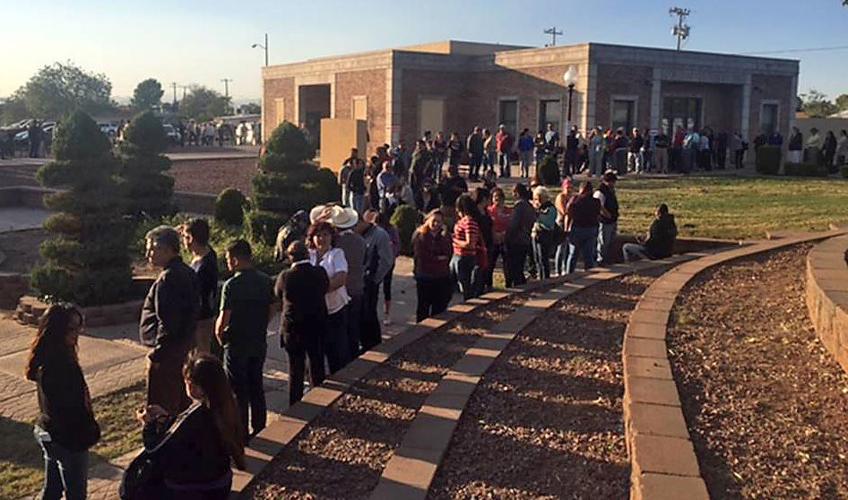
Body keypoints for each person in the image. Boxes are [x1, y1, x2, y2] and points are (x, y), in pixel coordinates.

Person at [136, 352, 246, 498]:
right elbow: (186, 432)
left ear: (197, 388)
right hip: (221, 482)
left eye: (187, 381)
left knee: (143, 484)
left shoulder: (195, 416)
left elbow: (153, 449)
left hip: (192, 489)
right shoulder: (227, 407)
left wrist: (148, 424)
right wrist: (169, 419)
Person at [28, 304, 100, 500]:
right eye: (71, 328)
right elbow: (74, 409)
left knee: (52, 489)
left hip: (48, 432)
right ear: (57, 330)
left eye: (79, 327)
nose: (77, 333)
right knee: (76, 494)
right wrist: (89, 430)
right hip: (68, 439)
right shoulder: (62, 366)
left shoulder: (44, 358)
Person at [216, 240, 275, 439]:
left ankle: (241, 431)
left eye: (227, 260)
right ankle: (260, 426)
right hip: (257, 339)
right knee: (256, 384)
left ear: (234, 259)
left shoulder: (231, 285)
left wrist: (220, 337)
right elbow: (272, 309)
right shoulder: (266, 280)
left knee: (238, 390)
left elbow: (223, 319)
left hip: (236, 342)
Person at [140, 226, 200, 414]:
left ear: (166, 249)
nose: (148, 254)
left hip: (167, 354)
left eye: (152, 249)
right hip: (183, 347)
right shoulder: (187, 272)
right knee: (180, 401)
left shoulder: (168, 278)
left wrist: (157, 355)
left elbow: (168, 321)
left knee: (161, 406)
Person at [275, 241, 329, 405]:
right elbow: (325, 288)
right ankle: (319, 400)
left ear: (290, 257)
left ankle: (295, 403)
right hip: (316, 324)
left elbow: (278, 293)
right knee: (317, 364)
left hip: (293, 328)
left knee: (295, 370)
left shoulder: (286, 276)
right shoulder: (319, 272)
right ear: (307, 254)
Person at [306, 222, 352, 373]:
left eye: (325, 235)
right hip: (316, 311)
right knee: (316, 351)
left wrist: (318, 290)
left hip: (335, 310)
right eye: (318, 235)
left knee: (336, 351)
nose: (321, 239)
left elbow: (341, 278)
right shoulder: (308, 255)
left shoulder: (336, 254)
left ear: (332, 237)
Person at [357, 209, 394, 351]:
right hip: (357, 282)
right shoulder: (356, 234)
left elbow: (386, 261)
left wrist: (375, 279)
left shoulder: (379, 235)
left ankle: (373, 345)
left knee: (369, 314)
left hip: (369, 281)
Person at [181, 218, 218, 355]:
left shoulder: (204, 266)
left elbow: (200, 295)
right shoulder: (205, 254)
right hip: (200, 315)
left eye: (185, 237)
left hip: (201, 318)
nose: (183, 240)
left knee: (201, 354)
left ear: (191, 238)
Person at [413, 209, 453, 321]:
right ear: (428, 220)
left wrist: (444, 237)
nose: (436, 224)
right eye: (434, 221)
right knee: (423, 307)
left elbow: (448, 253)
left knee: (439, 307)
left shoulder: (445, 236)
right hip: (425, 276)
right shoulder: (420, 236)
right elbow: (422, 256)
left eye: (439, 222)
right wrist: (437, 258)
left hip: (441, 276)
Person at [366, 211, 399, 326]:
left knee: (387, 287)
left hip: (387, 262)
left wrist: (391, 252)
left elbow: (396, 245)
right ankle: (377, 312)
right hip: (375, 263)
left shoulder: (390, 230)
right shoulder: (374, 232)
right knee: (376, 289)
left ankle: (387, 313)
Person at [565, 181, 601, 273]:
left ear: (581, 190)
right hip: (591, 229)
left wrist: (566, 228)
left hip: (577, 228)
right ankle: (588, 274)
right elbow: (598, 215)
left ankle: (569, 274)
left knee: (573, 255)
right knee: (588, 255)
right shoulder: (596, 202)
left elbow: (568, 213)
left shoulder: (575, 200)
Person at [451, 194, 481, 300]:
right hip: (457, 255)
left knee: (465, 286)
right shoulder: (463, 221)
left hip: (464, 257)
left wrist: (454, 240)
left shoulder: (469, 222)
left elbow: (470, 243)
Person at [505, 183, 536, 287]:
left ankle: (519, 286)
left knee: (515, 268)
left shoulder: (519, 207)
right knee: (520, 266)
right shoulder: (529, 206)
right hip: (526, 239)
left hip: (516, 240)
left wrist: (507, 236)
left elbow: (513, 225)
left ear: (517, 193)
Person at [531, 186, 558, 280]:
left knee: (543, 259)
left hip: (545, 236)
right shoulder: (538, 208)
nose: (537, 201)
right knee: (537, 259)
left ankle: (545, 279)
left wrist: (537, 213)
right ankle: (540, 277)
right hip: (536, 235)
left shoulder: (550, 208)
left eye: (538, 198)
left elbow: (548, 223)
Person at [486, 187, 511, 289]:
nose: (497, 199)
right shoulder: (489, 211)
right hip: (493, 241)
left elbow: (511, 224)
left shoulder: (508, 211)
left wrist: (505, 234)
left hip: (505, 240)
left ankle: (509, 284)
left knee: (507, 265)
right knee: (490, 264)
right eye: (495, 197)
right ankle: (488, 285)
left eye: (499, 197)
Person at [594, 171, 619, 265]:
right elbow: (598, 206)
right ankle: (600, 260)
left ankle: (608, 259)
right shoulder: (600, 191)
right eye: (613, 182)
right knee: (603, 242)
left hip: (612, 220)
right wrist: (606, 214)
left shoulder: (611, 190)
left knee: (610, 242)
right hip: (604, 221)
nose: (614, 184)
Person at [472, 188, 494, 293]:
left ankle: (485, 286)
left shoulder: (485, 211)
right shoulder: (475, 213)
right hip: (479, 244)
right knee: (479, 269)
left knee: (487, 268)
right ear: (484, 199)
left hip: (488, 243)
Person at [553, 178, 573, 276]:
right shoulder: (560, 197)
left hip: (569, 224)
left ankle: (565, 268)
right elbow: (564, 211)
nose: (569, 190)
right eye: (567, 187)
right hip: (560, 224)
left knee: (568, 248)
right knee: (560, 248)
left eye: (570, 188)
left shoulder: (571, 198)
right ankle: (558, 270)